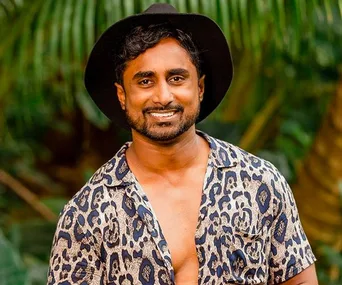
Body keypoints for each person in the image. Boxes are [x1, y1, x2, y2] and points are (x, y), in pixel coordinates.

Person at [47, 3, 318, 285]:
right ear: (122, 95)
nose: (163, 96)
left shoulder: (258, 183)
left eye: (176, 78)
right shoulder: (88, 213)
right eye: (145, 81)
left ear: (199, 88)